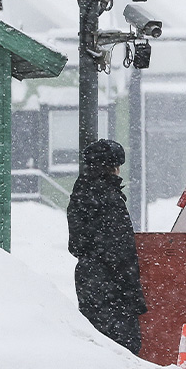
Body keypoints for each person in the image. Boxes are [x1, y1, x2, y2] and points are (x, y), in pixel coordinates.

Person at [67, 139, 148, 354]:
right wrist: (134, 296)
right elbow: (121, 253)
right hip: (113, 287)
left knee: (97, 345)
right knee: (123, 348)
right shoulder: (110, 200)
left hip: (88, 280)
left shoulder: (79, 196)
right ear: (112, 168)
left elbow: (75, 245)